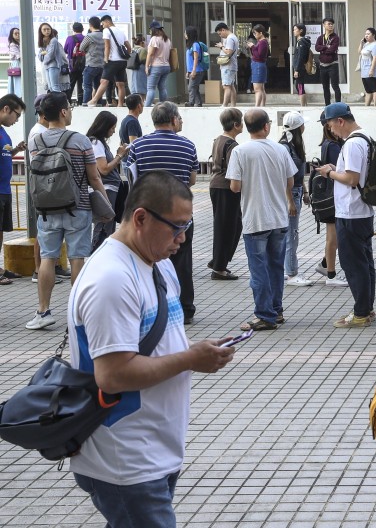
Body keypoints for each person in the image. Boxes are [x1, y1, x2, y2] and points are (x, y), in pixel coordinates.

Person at [68, 171, 235, 527]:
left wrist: (196, 350)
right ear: (141, 218)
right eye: (176, 226)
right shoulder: (111, 278)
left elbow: (156, 344)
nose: (183, 237)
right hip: (125, 459)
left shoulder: (156, 264)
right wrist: (191, 358)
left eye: (186, 225)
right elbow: (112, 375)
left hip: (154, 450)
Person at [26, 93, 108, 330]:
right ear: (63, 112)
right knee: (76, 259)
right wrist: (105, 205)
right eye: (69, 108)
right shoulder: (80, 141)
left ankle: (43, 311)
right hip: (78, 208)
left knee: (48, 258)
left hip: (47, 209)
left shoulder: (36, 142)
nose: (70, 111)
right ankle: (78, 314)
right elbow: (94, 177)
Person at [126, 102, 199, 324]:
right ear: (174, 119)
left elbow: (131, 178)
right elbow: (193, 180)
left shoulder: (138, 145)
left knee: (149, 260)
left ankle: (154, 308)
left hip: (149, 214)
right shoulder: (188, 146)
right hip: (179, 215)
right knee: (182, 261)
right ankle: (185, 308)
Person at [227, 109, 298, 331]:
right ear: (266, 127)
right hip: (278, 217)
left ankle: (264, 315)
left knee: (259, 269)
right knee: (276, 267)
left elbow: (235, 186)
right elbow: (290, 180)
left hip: (255, 219)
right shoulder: (280, 149)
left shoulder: (240, 151)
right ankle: (276, 311)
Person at [315, 102, 376, 328]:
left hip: (351, 212)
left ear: (340, 121)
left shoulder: (352, 144)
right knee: (365, 262)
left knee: (354, 264)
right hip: (362, 211)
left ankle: (361, 313)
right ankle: (366, 309)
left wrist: (330, 172)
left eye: (331, 125)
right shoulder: (365, 137)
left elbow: (352, 179)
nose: (331, 130)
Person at [208, 108, 243, 281]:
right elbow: (234, 170)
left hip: (216, 185)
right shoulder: (232, 146)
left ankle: (218, 261)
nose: (243, 124)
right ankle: (219, 268)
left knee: (229, 225)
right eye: (241, 121)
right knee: (228, 227)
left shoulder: (218, 139)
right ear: (236, 125)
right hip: (226, 187)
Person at [86, 110, 129, 250]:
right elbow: (103, 169)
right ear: (104, 127)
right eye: (112, 127)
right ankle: (97, 253)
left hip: (111, 189)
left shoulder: (100, 143)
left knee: (108, 226)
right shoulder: (96, 143)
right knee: (103, 226)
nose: (114, 131)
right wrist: (119, 156)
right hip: (106, 190)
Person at [279, 111, 312, 287]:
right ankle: (291, 273)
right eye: (302, 124)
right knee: (291, 234)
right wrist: (291, 201)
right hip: (291, 194)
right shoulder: (285, 147)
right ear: (298, 127)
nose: (305, 127)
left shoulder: (294, 144)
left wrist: (305, 192)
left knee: (292, 233)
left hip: (297, 191)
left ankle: (288, 270)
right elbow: (285, 177)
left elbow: (298, 174)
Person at [314, 117, 347, 287]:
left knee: (332, 236)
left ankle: (326, 265)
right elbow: (339, 169)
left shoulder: (328, 144)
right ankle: (331, 275)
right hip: (333, 195)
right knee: (332, 237)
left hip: (328, 195)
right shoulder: (333, 145)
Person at [0, 94, 26, 283]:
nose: (16, 120)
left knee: (0, 230)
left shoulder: (3, 132)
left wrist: (16, 150)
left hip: (5, 189)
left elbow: (5, 155)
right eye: (16, 115)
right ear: (6, 109)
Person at [86, 15, 129, 107]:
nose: (102, 26)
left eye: (103, 24)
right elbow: (129, 47)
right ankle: (120, 104)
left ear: (107, 22)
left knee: (104, 81)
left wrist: (106, 58)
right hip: (122, 61)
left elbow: (107, 46)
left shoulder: (107, 31)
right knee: (120, 84)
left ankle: (94, 100)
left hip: (112, 60)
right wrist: (125, 57)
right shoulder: (121, 31)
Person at [142, 21, 171, 107]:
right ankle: (164, 106)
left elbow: (150, 54)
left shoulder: (154, 39)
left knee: (150, 88)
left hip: (156, 66)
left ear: (153, 30)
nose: (150, 32)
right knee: (162, 87)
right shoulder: (167, 39)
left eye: (150, 30)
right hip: (166, 66)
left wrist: (146, 66)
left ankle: (146, 107)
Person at [316, 17, 342, 106]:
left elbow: (332, 50)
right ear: (324, 25)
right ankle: (327, 105)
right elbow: (316, 48)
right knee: (325, 87)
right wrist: (326, 47)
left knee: (335, 86)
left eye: (332, 24)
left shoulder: (335, 37)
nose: (330, 25)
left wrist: (323, 49)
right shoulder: (320, 37)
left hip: (332, 65)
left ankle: (338, 105)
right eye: (328, 24)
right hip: (322, 65)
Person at [78, 18, 102, 104]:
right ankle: (99, 104)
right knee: (98, 86)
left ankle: (85, 104)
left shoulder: (89, 36)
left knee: (87, 86)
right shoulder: (104, 35)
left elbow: (81, 48)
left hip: (91, 64)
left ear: (90, 25)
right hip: (101, 65)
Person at [215, 22, 239, 107]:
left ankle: (224, 105)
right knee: (231, 86)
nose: (220, 35)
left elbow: (229, 52)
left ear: (223, 30)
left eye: (220, 33)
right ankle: (233, 105)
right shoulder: (233, 37)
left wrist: (221, 47)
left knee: (226, 86)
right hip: (231, 65)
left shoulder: (230, 38)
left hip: (228, 66)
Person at [38, 23, 65, 94]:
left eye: (48, 29)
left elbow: (51, 55)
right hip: (47, 66)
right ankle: (57, 103)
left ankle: (63, 103)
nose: (47, 31)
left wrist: (44, 55)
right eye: (44, 29)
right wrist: (43, 54)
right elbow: (39, 55)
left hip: (54, 65)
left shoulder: (53, 40)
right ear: (41, 31)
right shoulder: (43, 41)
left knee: (55, 87)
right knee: (51, 87)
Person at [183, 25, 207, 107]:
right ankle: (199, 102)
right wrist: (188, 71)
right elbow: (190, 60)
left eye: (186, 33)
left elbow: (196, 58)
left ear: (190, 34)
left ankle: (191, 102)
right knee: (195, 87)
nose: (184, 35)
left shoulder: (195, 45)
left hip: (197, 70)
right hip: (192, 70)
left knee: (191, 87)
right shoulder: (190, 45)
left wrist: (193, 71)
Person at [358, 27, 376, 106]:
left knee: (374, 88)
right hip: (364, 68)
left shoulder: (375, 45)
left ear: (373, 35)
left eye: (368, 34)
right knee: (368, 90)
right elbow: (359, 52)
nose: (366, 36)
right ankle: (366, 106)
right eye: (365, 34)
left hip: (370, 67)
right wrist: (361, 43)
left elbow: (375, 58)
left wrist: (371, 70)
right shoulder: (366, 44)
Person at [247, 24, 269, 108]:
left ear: (261, 33)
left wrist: (252, 47)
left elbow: (259, 55)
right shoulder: (262, 42)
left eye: (255, 33)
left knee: (257, 89)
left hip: (258, 65)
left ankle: (257, 107)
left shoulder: (263, 42)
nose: (255, 35)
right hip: (258, 65)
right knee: (261, 88)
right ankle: (262, 106)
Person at [64, 22, 85, 104]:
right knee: (82, 84)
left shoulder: (69, 38)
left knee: (71, 84)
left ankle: (68, 101)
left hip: (72, 65)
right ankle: (81, 101)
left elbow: (65, 50)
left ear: (73, 30)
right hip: (83, 64)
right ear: (83, 29)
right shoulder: (86, 38)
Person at [292, 24, 310, 106]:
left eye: (295, 29)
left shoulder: (301, 42)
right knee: (300, 85)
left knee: (299, 86)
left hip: (300, 67)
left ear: (301, 31)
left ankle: (303, 106)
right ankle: (305, 105)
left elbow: (301, 57)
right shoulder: (300, 41)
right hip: (300, 67)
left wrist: (297, 69)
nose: (294, 31)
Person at [6, 27, 21, 98]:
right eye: (15, 33)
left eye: (19, 33)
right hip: (16, 64)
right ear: (12, 35)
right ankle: (18, 96)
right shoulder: (12, 44)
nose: (18, 35)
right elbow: (19, 56)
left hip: (20, 64)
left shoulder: (20, 43)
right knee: (17, 82)